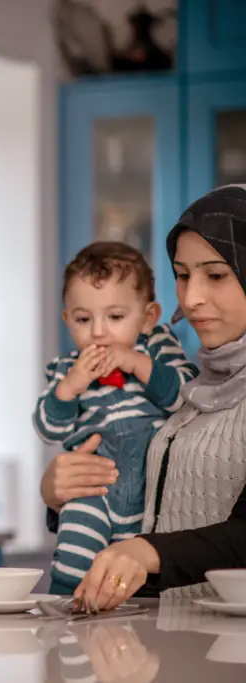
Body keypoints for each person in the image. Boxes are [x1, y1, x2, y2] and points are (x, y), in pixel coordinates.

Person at [40, 185, 246, 611]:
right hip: (169, 640)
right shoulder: (196, 385)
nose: (190, 298)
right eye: (183, 274)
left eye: (217, 274)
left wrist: (147, 552)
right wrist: (56, 494)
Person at [33, 242, 197, 594]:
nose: (98, 332)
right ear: (67, 320)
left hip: (152, 496)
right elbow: (48, 428)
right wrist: (70, 386)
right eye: (82, 319)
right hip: (94, 490)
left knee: (136, 571)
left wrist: (135, 362)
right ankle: (65, 606)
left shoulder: (157, 349)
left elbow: (185, 396)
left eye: (116, 317)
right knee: (75, 559)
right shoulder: (66, 369)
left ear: (148, 317)